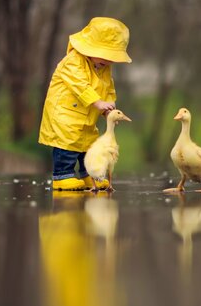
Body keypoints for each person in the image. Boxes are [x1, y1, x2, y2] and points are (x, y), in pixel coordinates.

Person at [38, 17, 132, 190]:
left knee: (89, 146)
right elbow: (79, 84)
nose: (108, 61)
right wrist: (97, 101)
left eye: (112, 58)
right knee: (67, 144)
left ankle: (90, 175)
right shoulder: (73, 61)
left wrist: (108, 107)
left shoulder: (103, 67)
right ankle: (62, 175)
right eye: (105, 55)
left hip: (87, 115)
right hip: (65, 114)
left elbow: (109, 88)